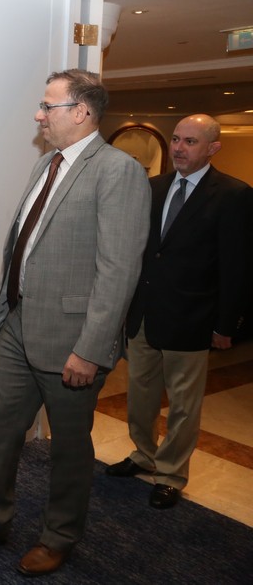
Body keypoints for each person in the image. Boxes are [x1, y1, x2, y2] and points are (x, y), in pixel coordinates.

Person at [0, 69, 150, 576]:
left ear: (82, 112)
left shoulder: (118, 171)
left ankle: (59, 537)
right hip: (17, 325)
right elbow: (25, 244)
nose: (38, 115)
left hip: (73, 339)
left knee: (69, 450)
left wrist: (91, 348)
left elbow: (119, 270)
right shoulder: (45, 164)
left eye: (47, 106)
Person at [106, 113, 253, 508]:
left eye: (190, 141)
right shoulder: (153, 187)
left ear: (213, 147)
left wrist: (226, 325)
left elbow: (237, 266)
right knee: (140, 396)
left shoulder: (233, 194)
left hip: (192, 319)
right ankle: (143, 454)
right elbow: (141, 251)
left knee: (184, 407)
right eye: (176, 139)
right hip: (143, 316)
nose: (179, 148)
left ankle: (170, 474)